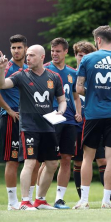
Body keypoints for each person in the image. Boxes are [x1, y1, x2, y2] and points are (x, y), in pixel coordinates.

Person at [0, 44, 66, 210]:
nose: (28, 58)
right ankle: (25, 201)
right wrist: (1, 69)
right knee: (30, 162)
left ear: (42, 57)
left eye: (32, 55)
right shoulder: (21, 75)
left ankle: (40, 200)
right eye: (27, 55)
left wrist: (60, 112)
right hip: (29, 127)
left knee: (52, 164)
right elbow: (1, 85)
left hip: (48, 126)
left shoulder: (54, 77)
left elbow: (62, 100)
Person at [73, 26, 111, 209]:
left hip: (93, 114)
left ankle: (84, 201)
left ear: (97, 40)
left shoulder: (88, 59)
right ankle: (107, 201)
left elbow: (79, 88)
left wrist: (94, 92)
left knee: (87, 158)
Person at [0, 35, 39, 210]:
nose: (16, 51)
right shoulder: (7, 67)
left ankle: (28, 200)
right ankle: (12, 203)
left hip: (30, 120)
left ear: (26, 49)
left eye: (19, 48)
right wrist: (9, 110)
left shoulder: (27, 68)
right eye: (13, 48)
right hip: (12, 119)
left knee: (34, 160)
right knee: (13, 160)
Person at [42, 38, 82, 209]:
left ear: (66, 52)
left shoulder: (72, 73)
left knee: (67, 158)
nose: (55, 54)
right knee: (46, 160)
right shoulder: (44, 70)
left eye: (58, 51)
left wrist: (79, 112)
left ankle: (59, 198)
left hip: (70, 120)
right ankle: (38, 197)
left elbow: (75, 96)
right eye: (52, 51)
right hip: (50, 119)